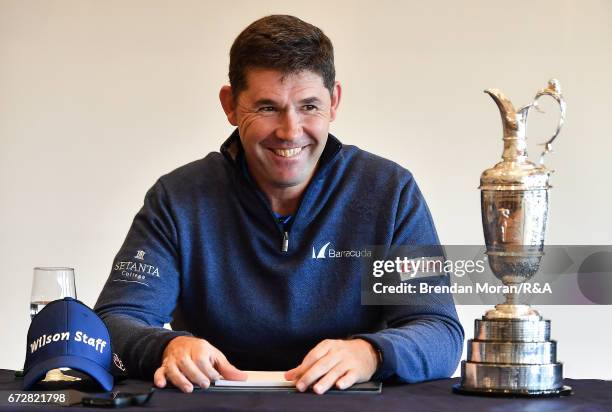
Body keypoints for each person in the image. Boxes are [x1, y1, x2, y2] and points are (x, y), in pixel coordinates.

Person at [94, 14, 463, 395]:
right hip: (214, 406)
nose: (290, 131)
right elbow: (113, 322)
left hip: (349, 406)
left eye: (309, 106)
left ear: (334, 101)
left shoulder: (390, 192)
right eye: (268, 107)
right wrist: (167, 346)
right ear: (231, 105)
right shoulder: (178, 199)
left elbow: (439, 331)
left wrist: (371, 353)